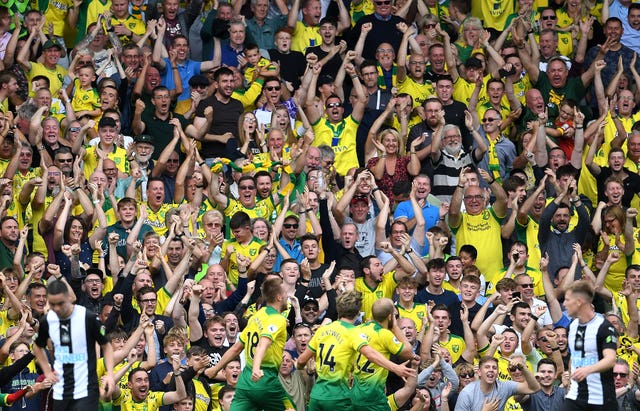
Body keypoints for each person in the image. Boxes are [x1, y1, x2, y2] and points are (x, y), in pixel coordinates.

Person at [204, 276, 296, 410]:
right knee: (291, 409)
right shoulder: (277, 319)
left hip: (245, 382)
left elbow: (236, 348)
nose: (288, 296)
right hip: (264, 378)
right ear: (279, 297)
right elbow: (262, 345)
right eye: (285, 293)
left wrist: (215, 369)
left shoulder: (257, 315)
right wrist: (256, 369)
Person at [32, 279, 116, 410]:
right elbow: (37, 346)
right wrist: (47, 372)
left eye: (60, 303)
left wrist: (110, 374)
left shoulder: (87, 317)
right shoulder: (47, 320)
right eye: (53, 304)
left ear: (68, 298)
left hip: (86, 388)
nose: (57, 308)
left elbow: (106, 345)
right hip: (61, 389)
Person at [563, 281, 618, 410]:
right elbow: (574, 356)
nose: (564, 304)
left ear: (579, 301)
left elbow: (610, 360)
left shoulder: (604, 327)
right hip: (575, 396)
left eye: (567, 300)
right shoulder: (572, 326)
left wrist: (588, 370)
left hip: (601, 397)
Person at [454, 356, 540, 411]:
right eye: (487, 367)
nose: (491, 370)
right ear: (479, 372)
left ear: (497, 373)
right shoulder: (467, 393)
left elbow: (534, 388)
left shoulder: (504, 387)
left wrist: (523, 368)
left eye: (494, 368)